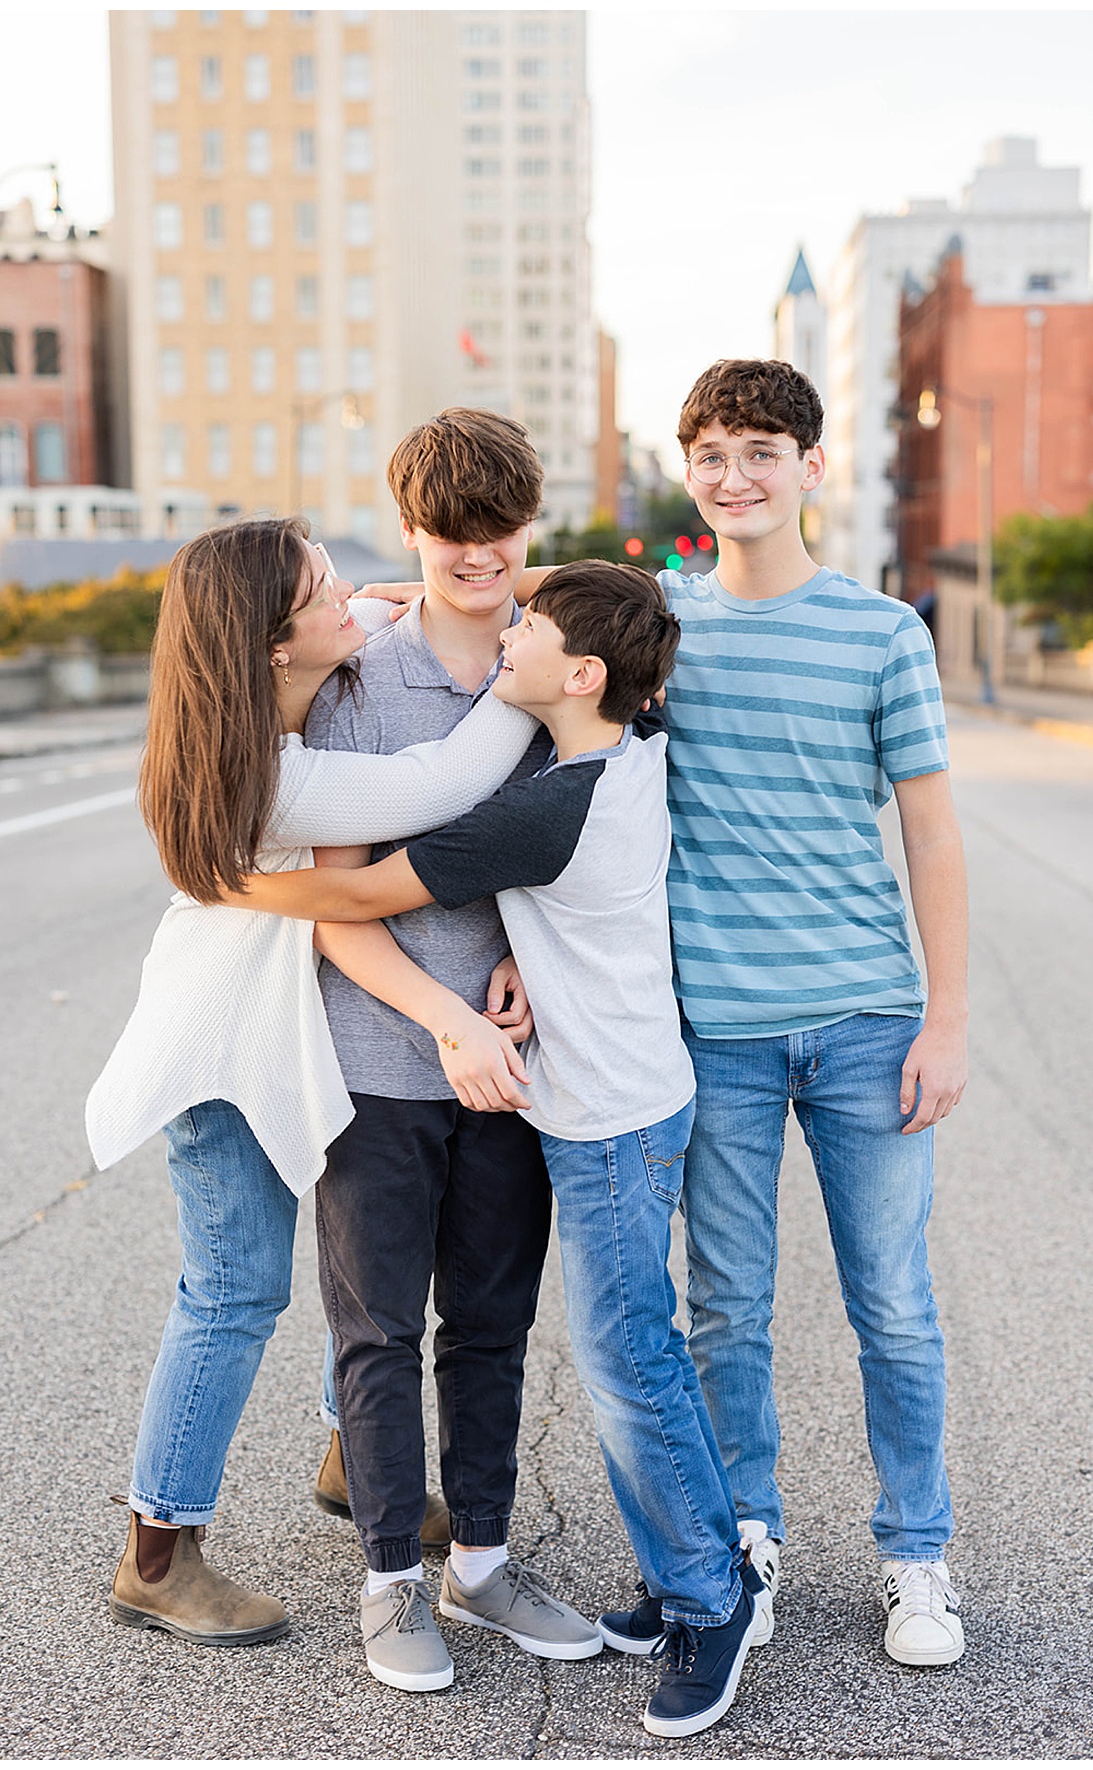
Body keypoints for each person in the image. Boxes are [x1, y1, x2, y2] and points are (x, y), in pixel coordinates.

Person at [438, 359, 974, 1666]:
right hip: (711, 1028)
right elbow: (520, 660)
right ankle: (746, 1534)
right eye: (713, 455)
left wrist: (946, 1017)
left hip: (866, 1017)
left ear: (809, 468)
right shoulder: (656, 619)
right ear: (691, 470)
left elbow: (933, 837)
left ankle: (917, 1555)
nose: (735, 478)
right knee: (726, 1302)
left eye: (761, 454)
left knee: (892, 1301)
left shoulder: (882, 632)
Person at [218, 561, 770, 1738]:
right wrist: (380, 595)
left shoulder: (548, 804)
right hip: (609, 1093)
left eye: (534, 626)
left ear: (578, 676)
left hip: (606, 1115)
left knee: (631, 1367)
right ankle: (684, 1579)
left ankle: (714, 1600)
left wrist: (226, 882)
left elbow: (362, 896)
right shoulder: (621, 746)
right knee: (624, 1356)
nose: (507, 630)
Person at [88, 519, 541, 1645]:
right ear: (270, 645)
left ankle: (353, 1460)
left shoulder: (322, 656)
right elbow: (443, 780)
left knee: (362, 1265)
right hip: (225, 1049)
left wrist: (475, 584)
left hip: (297, 1032)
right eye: (319, 590)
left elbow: (425, 587)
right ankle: (157, 1550)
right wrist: (536, 674)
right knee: (235, 1289)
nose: (351, 596)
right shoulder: (278, 780)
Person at [302, 408, 601, 1690]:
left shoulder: (555, 670)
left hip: (516, 1066)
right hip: (381, 1061)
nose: (476, 558)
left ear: (525, 529)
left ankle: (481, 1561)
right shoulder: (359, 682)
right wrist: (450, 1022)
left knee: (490, 1328)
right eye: (449, 534)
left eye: (500, 534)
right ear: (411, 528)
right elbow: (333, 906)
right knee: (375, 1335)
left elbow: (581, 852)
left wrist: (528, 966)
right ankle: (388, 1585)